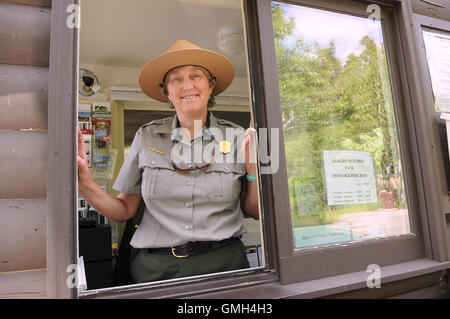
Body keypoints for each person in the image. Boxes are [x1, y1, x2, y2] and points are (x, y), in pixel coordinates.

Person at [77, 39, 259, 284]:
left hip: (225, 265)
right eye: (176, 79)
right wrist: (84, 184)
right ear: (167, 92)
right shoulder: (146, 136)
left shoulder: (239, 138)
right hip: (156, 271)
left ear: (210, 85)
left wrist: (253, 171)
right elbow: (124, 211)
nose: (187, 85)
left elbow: (255, 211)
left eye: (196, 75)